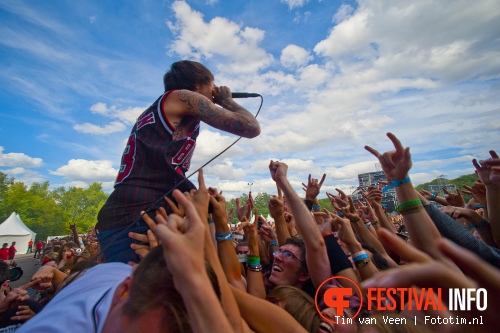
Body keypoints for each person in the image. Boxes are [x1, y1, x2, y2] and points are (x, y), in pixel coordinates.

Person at [96, 60, 261, 263]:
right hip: (136, 216)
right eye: (212, 84)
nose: (215, 91)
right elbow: (251, 127)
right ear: (197, 85)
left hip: (137, 212)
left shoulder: (171, 110)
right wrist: (226, 100)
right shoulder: (181, 96)